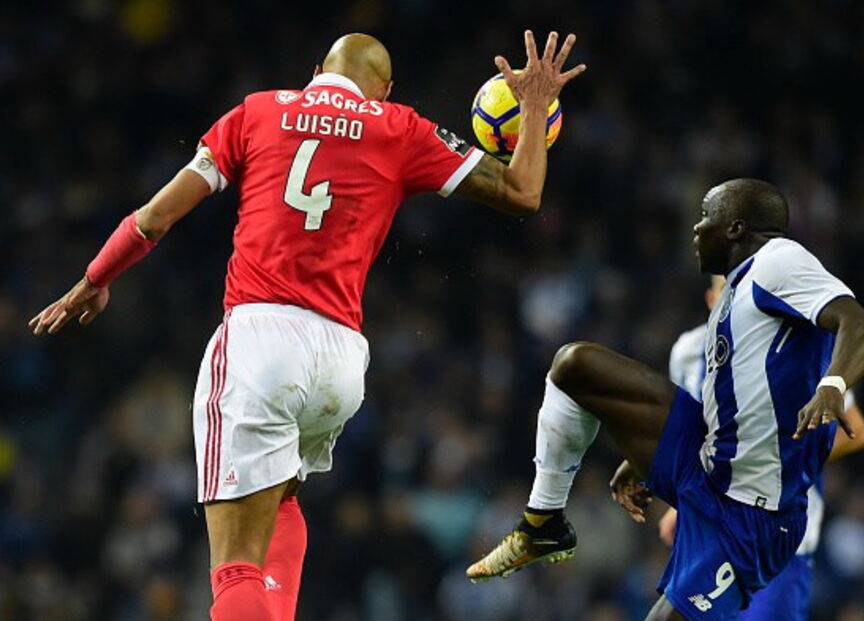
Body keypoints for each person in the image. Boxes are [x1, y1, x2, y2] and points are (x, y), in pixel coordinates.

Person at [29, 31, 586, 621]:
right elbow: (523, 193)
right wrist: (531, 110)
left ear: (315, 70)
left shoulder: (257, 111)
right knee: (284, 498)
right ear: (385, 89)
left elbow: (156, 217)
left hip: (261, 339)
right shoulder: (400, 127)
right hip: (341, 360)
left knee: (235, 565)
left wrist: (95, 277)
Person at [467, 179, 864, 621]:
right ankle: (543, 523)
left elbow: (860, 326)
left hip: (750, 518)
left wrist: (833, 385)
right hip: (704, 467)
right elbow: (734, 403)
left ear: (736, 228)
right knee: (575, 365)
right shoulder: (731, 300)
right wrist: (641, 452)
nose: (697, 228)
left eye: (707, 215)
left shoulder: (780, 260)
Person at [662, 276, 864, 620]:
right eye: (727, 293)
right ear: (712, 299)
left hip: (777, 544)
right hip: (709, 540)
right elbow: (689, 436)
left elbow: (856, 431)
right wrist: (677, 503)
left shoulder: (795, 345)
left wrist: (775, 459)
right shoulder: (688, 352)